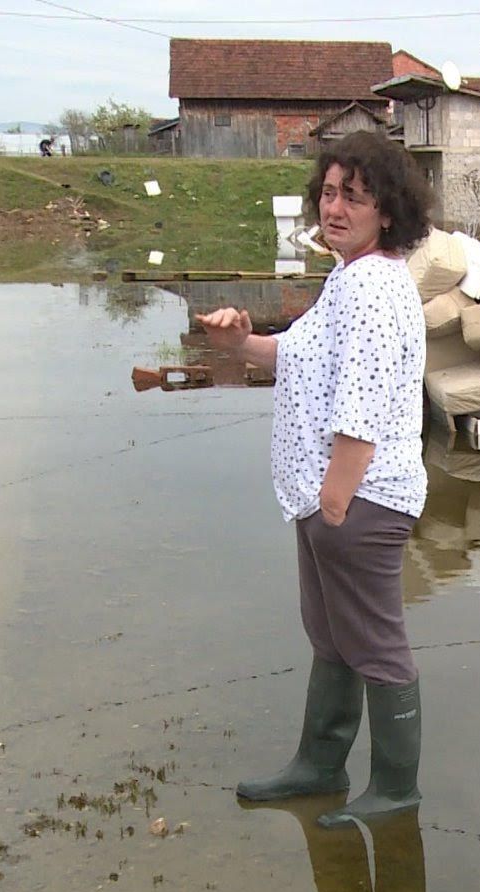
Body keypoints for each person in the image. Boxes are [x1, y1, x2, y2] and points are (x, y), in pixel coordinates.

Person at [197, 130, 432, 829]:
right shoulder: (348, 279)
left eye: (353, 197)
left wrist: (335, 499)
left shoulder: (372, 286)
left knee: (376, 644)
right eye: (328, 193)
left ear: (387, 210)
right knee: (332, 637)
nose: (334, 208)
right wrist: (237, 341)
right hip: (329, 496)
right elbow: (294, 356)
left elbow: (363, 398)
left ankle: (395, 789)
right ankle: (320, 766)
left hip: (358, 498)